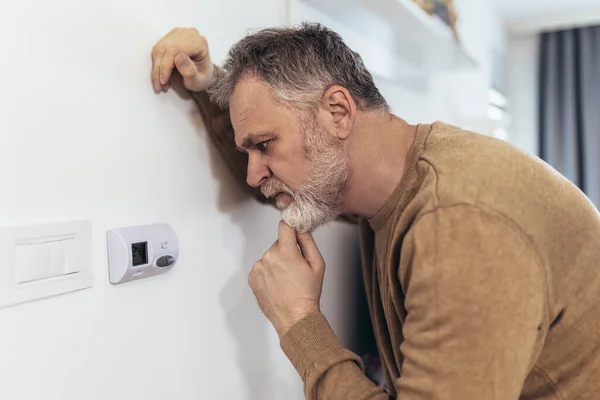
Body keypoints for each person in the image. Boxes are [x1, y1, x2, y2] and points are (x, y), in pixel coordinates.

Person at [150, 23, 600, 399]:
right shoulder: (390, 180)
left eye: (264, 144)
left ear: (338, 111)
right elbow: (276, 185)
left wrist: (299, 323)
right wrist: (209, 85)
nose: (253, 175)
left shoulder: (461, 223)